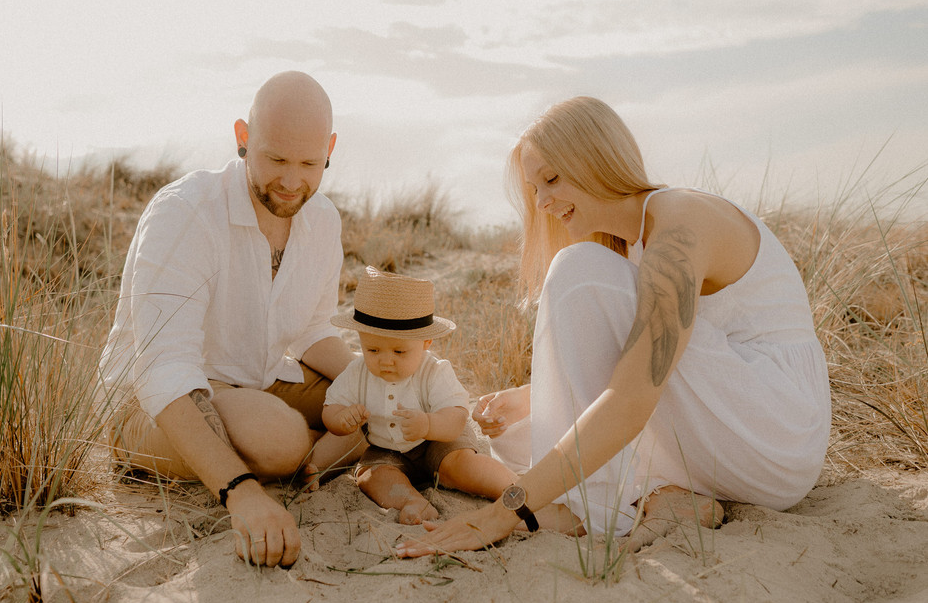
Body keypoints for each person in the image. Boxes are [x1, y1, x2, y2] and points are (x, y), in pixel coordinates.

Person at [395, 96, 831, 557]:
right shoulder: (637, 243)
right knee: (522, 435)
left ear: (595, 159)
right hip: (750, 430)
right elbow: (663, 363)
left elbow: (631, 397)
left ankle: (589, 508)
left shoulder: (680, 224)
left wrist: (502, 514)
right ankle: (675, 500)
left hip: (777, 432)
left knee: (578, 270)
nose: (542, 202)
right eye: (534, 188)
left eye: (551, 179)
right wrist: (530, 396)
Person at [99, 71, 363, 568]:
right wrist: (242, 493)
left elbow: (311, 329)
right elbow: (164, 369)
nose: (291, 180)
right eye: (276, 159)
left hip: (251, 383)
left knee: (376, 399)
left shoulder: (322, 219)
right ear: (243, 138)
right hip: (145, 403)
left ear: (329, 149)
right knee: (277, 437)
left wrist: (365, 383)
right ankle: (295, 456)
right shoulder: (185, 211)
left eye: (308, 163)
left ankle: (310, 455)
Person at [323, 267, 517, 524]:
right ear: (359, 339)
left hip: (441, 441)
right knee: (371, 475)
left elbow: (456, 418)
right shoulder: (357, 372)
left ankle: (514, 488)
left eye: (399, 352)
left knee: (459, 467)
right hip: (387, 450)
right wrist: (340, 419)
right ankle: (412, 501)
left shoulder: (434, 371)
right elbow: (331, 407)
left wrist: (428, 424)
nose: (386, 361)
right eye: (373, 349)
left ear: (426, 343)